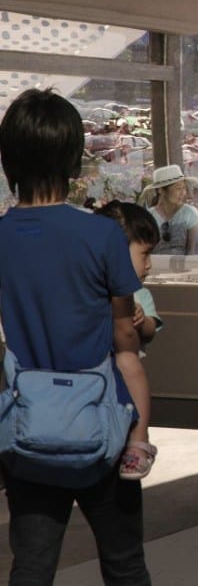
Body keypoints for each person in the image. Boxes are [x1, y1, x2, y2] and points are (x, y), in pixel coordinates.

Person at [0, 90, 155, 585]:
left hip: (28, 428)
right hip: (102, 424)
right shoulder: (102, 236)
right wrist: (140, 432)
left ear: (9, 158)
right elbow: (125, 338)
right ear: (72, 157)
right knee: (124, 563)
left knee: (32, 568)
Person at [95, 202, 163, 351]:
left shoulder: (141, 293)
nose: (149, 264)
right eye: (145, 254)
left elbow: (150, 330)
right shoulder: (91, 289)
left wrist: (142, 321)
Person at [141, 163, 198, 255]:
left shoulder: (190, 214)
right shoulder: (148, 218)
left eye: (184, 188)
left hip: (183, 267)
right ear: (161, 190)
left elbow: (193, 251)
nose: (183, 193)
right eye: (178, 188)